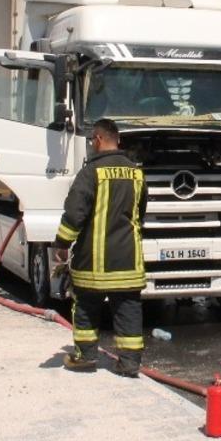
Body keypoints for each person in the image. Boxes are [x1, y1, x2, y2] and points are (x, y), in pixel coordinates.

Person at [54, 118, 149, 376]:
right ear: (118, 139)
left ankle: (85, 357)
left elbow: (75, 213)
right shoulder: (136, 173)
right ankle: (129, 363)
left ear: (97, 139)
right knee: (128, 310)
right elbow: (140, 213)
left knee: (86, 307)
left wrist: (62, 244)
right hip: (128, 259)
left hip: (93, 261)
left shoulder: (90, 172)